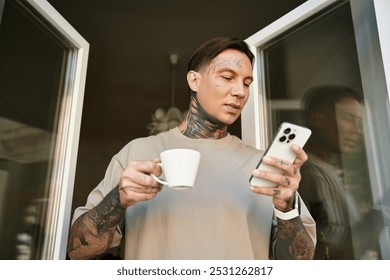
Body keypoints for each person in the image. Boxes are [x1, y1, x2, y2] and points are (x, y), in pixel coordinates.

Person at [67, 37, 316, 260]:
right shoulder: (137, 154)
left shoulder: (265, 169)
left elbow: (299, 267)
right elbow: (77, 251)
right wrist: (117, 200)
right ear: (194, 80)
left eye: (247, 83)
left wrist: (286, 209)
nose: (240, 91)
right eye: (227, 78)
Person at [299, 85, 383, 259]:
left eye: (360, 123)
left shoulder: (326, 169)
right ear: (318, 119)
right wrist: (379, 217)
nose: (357, 130)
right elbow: (328, 256)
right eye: (348, 119)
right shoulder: (310, 174)